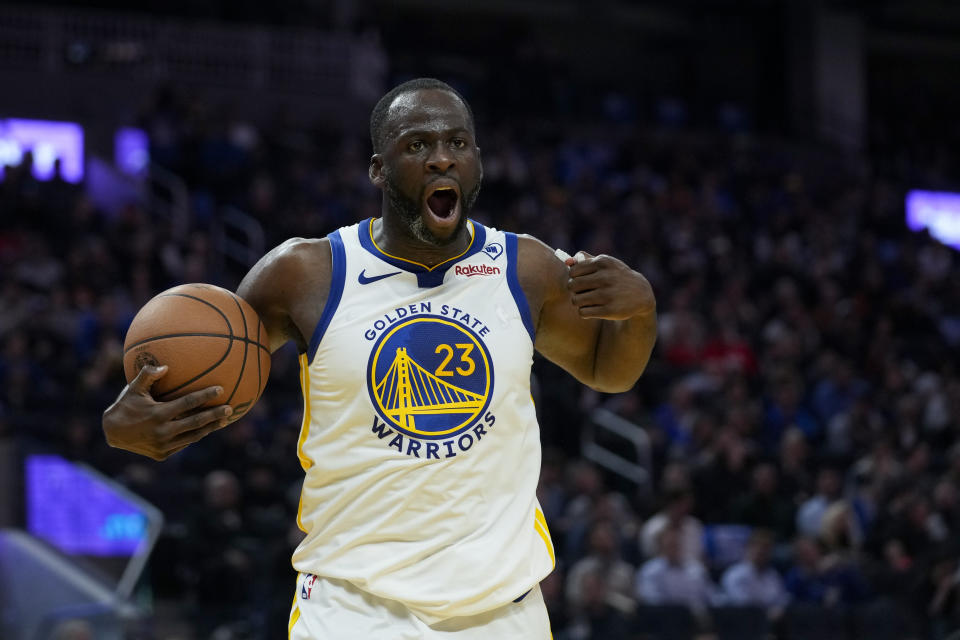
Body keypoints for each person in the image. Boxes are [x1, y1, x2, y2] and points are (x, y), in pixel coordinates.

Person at [102, 78, 657, 639]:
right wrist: (126, 425)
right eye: (417, 145)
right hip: (353, 606)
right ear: (378, 168)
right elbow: (210, 371)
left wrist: (639, 312)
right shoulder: (305, 273)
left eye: (458, 143)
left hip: (503, 609)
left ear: (478, 161)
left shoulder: (527, 268)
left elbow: (609, 371)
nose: (442, 158)